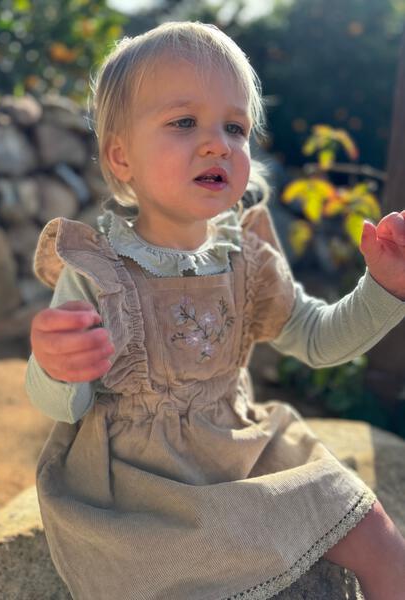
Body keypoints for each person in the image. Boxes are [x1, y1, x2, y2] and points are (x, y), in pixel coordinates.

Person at [26, 21, 405, 600]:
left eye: (235, 126)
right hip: (141, 492)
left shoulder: (246, 258)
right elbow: (65, 404)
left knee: (375, 530)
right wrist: (56, 365)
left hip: (240, 450)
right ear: (121, 157)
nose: (216, 143)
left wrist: (383, 288)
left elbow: (316, 338)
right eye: (184, 122)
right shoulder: (98, 269)